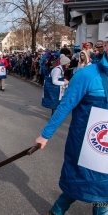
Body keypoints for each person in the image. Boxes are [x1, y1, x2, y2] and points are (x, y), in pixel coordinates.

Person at [36, 37, 108, 214]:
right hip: (85, 145)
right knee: (80, 184)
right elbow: (65, 106)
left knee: (103, 192)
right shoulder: (86, 75)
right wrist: (45, 135)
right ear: (105, 46)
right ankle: (57, 210)